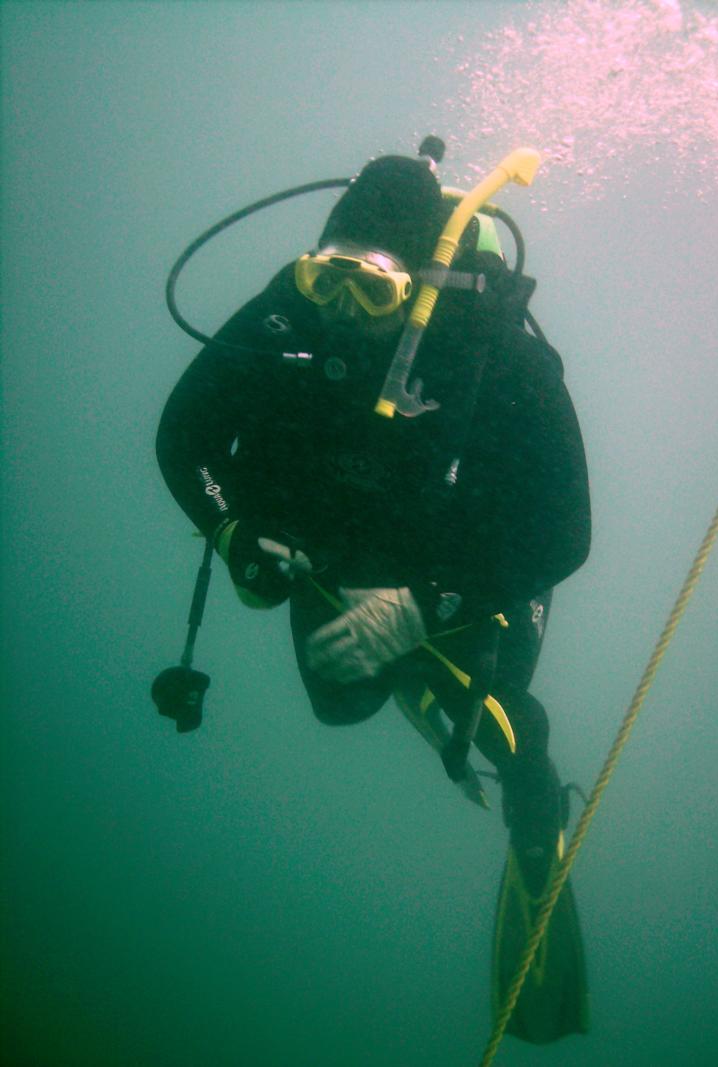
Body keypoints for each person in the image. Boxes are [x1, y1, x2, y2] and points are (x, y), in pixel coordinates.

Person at [156, 145, 592, 1041]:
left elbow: (563, 533)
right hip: (340, 553)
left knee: (501, 716)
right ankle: (416, 683)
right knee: (339, 702)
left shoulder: (493, 354)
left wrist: (424, 605)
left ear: (423, 288)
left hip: (472, 570)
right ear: (309, 265)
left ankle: (529, 803)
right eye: (328, 281)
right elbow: (182, 435)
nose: (343, 310)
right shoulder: (286, 314)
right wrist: (235, 535)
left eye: (375, 293)